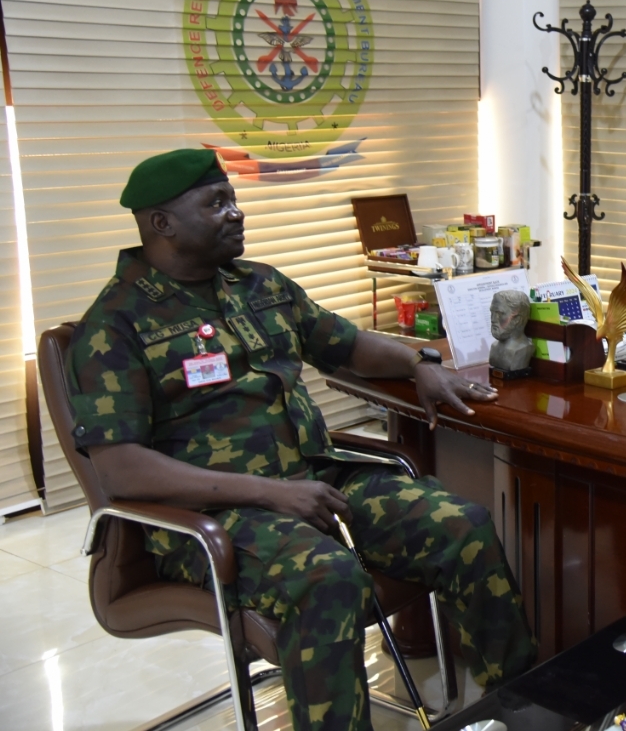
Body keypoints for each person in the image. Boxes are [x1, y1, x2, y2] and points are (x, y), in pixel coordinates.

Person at [64, 149, 535, 731]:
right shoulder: (115, 325)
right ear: (162, 223)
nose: (236, 212)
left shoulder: (258, 285)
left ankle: (520, 709)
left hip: (314, 480)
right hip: (214, 517)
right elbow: (120, 468)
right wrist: (268, 493)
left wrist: (418, 364)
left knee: (463, 525)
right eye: (216, 203)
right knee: (327, 578)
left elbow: (346, 344)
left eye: (233, 198)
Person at [488, 289, 534, 372]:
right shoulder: (494, 347)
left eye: (499, 313)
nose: (493, 319)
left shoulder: (523, 350)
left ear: (517, 319)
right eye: (492, 312)